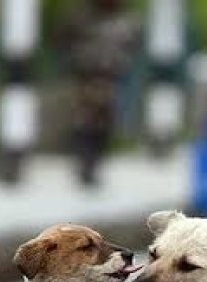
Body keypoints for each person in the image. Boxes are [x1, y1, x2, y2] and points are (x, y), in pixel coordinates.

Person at [57, 0, 141, 189]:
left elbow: (133, 43)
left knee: (104, 121)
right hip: (85, 75)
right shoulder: (79, 15)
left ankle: (94, 164)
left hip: (110, 76)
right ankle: (85, 163)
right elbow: (63, 40)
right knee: (84, 120)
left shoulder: (125, 19)